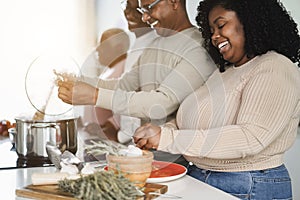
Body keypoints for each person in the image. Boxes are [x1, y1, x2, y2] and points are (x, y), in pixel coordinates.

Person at [133, 0, 300, 199]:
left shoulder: (275, 67)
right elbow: (185, 120)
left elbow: (251, 138)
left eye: (221, 26)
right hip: (202, 176)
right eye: (210, 30)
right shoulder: (224, 73)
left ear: (250, 21)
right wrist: (161, 132)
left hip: (249, 184)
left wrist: (168, 139)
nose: (214, 37)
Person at [57, 0, 216, 163]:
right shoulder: (154, 45)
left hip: (181, 158)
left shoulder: (199, 47)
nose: (145, 17)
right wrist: (77, 81)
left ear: (173, 2)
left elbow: (161, 103)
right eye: (142, 9)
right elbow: (122, 86)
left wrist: (95, 96)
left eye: (149, 8)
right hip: (148, 153)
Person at [100, 0, 158, 144]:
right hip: (131, 138)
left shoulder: (153, 47)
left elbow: (138, 98)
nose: (129, 13)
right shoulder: (137, 45)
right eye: (126, 6)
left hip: (141, 140)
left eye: (136, 8)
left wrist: (121, 136)